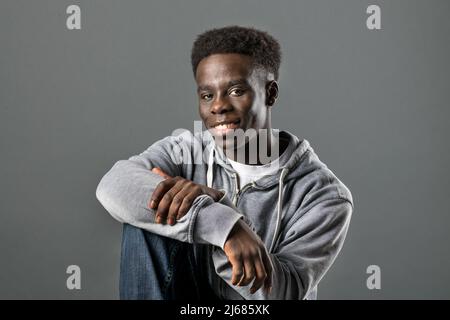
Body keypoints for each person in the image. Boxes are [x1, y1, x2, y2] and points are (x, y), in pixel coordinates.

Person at [96, 25, 354, 300]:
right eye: (207, 95)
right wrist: (224, 226)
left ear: (270, 93)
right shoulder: (187, 150)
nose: (218, 106)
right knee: (146, 219)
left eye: (235, 91)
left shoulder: (322, 194)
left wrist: (221, 211)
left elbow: (283, 294)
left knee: (162, 204)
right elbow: (112, 185)